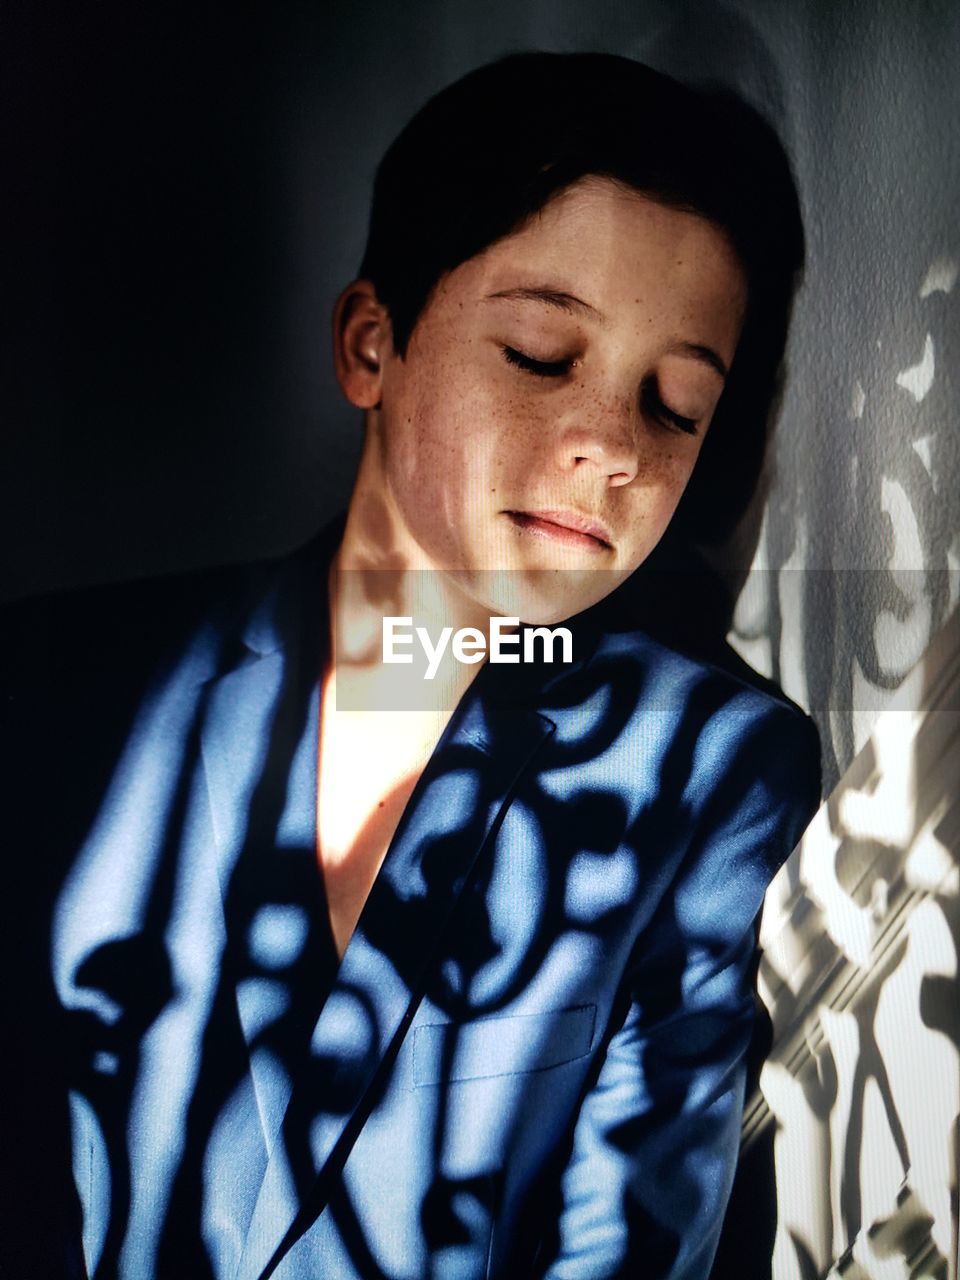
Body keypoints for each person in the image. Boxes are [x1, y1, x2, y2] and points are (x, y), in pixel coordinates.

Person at [2, 51, 820, 1280]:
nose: (609, 444)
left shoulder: (703, 769)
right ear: (371, 344)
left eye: (674, 403)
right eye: (544, 352)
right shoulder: (64, 692)